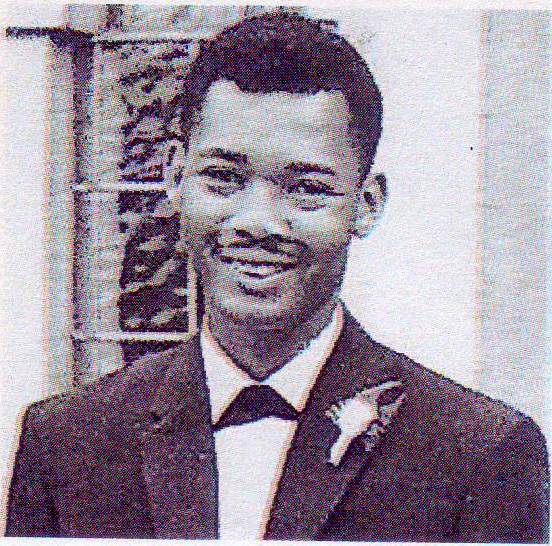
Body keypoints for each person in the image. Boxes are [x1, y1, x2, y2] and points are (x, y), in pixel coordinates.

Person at [6, 12, 549, 542]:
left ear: (366, 203)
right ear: (175, 177)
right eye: (223, 177)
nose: (258, 222)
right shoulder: (67, 441)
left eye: (307, 188)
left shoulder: (479, 454)